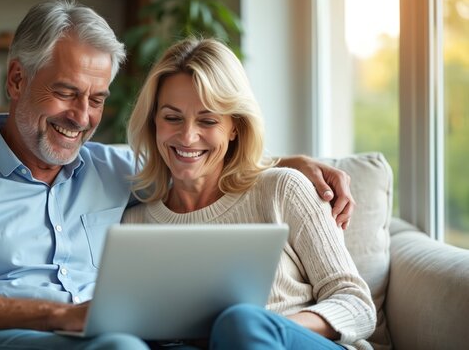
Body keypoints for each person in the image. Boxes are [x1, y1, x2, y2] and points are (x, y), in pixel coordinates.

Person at [0, 0, 355, 349]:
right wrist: (62, 316)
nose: (81, 116)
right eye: (66, 93)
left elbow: (198, 161)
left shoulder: (116, 169)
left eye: (97, 98)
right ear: (16, 80)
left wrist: (286, 164)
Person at [121, 37, 376, 350]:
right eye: (172, 118)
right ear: (153, 122)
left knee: (240, 322)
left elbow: (358, 306)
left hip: (297, 342)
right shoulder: (133, 225)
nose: (187, 136)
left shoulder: (282, 189)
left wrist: (266, 327)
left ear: (234, 127)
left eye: (208, 120)